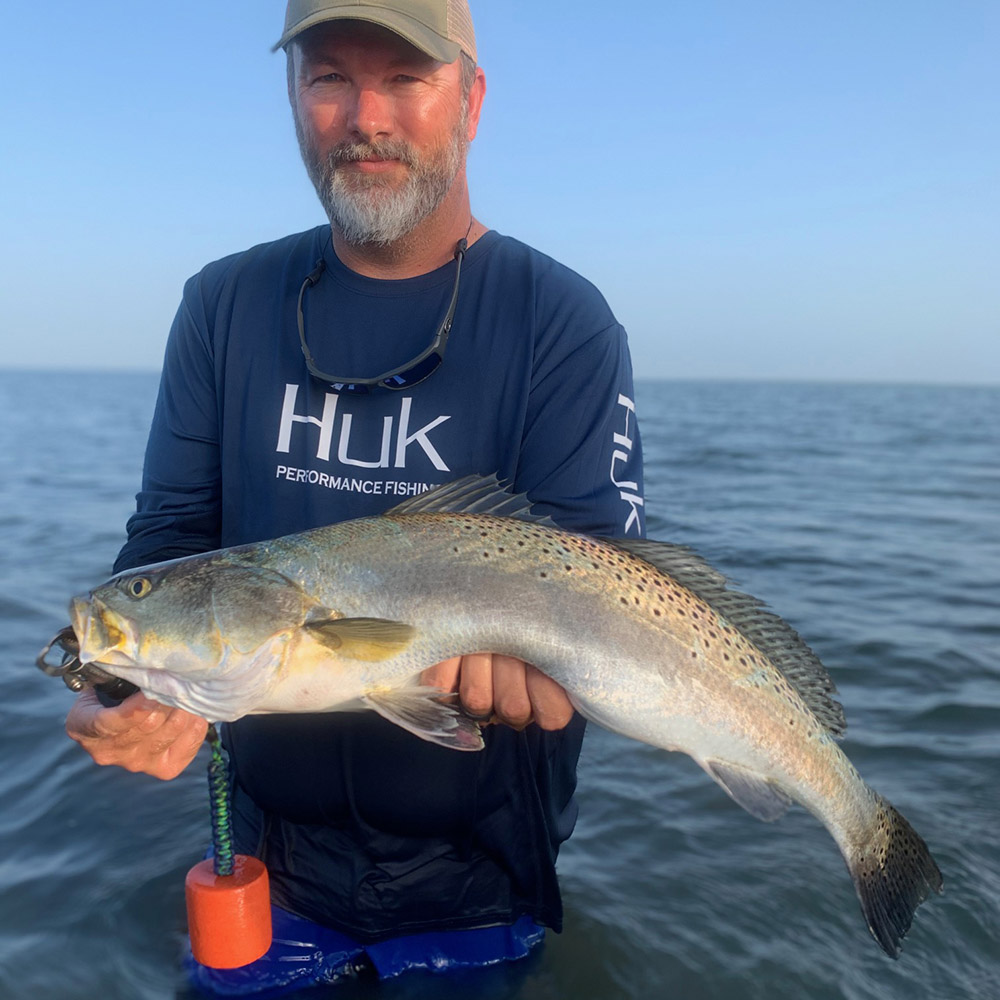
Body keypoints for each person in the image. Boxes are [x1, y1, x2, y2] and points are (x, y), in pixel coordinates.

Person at [66, 0, 644, 992]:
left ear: (472, 99)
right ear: (294, 97)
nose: (364, 115)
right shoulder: (223, 304)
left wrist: (540, 682)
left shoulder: (563, 322)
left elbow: (606, 581)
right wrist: (118, 685)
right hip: (261, 859)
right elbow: (166, 540)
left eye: (407, 77)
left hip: (480, 882)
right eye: (328, 75)